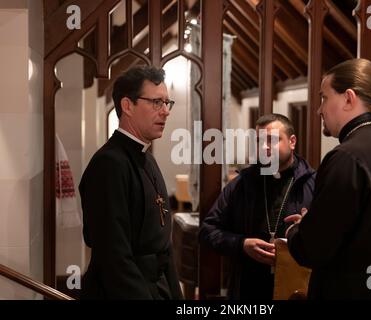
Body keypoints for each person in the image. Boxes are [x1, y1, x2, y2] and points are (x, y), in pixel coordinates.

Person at [286, 58, 371, 299]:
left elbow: (313, 249)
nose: (319, 109)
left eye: (324, 98)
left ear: (349, 98)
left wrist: (298, 230)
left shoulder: (346, 157)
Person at [79, 65, 183, 299]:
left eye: (167, 103)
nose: (165, 111)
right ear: (127, 106)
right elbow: (113, 257)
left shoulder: (148, 160)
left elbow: (164, 246)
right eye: (156, 102)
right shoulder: (109, 164)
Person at [199, 114, 316, 299]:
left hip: (297, 290)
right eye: (259, 141)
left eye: (272, 140)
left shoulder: (314, 184)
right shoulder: (241, 185)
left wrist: (308, 227)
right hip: (248, 289)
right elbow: (208, 231)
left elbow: (331, 238)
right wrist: (242, 244)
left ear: (292, 142)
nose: (264, 147)